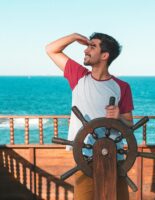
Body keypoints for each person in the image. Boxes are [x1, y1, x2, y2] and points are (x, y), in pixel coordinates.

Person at [46, 32, 134, 200]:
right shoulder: (79, 76)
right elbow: (51, 50)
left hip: (115, 158)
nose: (85, 50)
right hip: (85, 156)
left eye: (92, 46)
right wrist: (74, 37)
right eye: (87, 46)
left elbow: (129, 124)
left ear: (104, 55)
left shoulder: (122, 87)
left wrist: (119, 117)